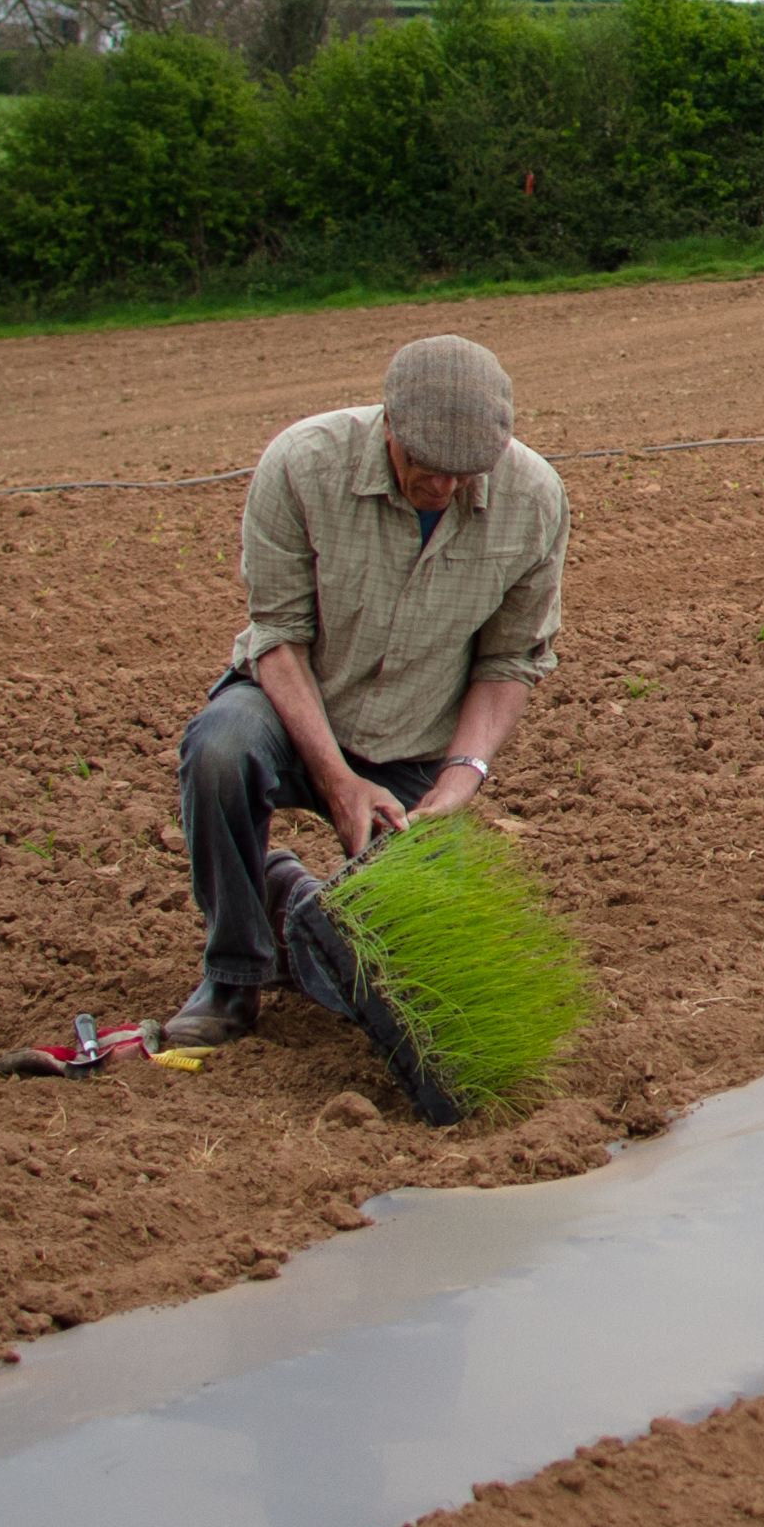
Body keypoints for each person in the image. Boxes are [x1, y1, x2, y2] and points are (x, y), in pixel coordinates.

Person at [167, 334, 567, 1094]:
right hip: (295, 707)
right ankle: (233, 976)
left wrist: (459, 782)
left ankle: (288, 902)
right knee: (220, 750)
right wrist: (339, 779)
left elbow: (511, 660)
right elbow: (277, 637)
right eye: (427, 464)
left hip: (417, 736)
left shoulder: (535, 500)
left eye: (466, 470)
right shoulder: (301, 464)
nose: (444, 484)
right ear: (388, 424)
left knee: (400, 973)